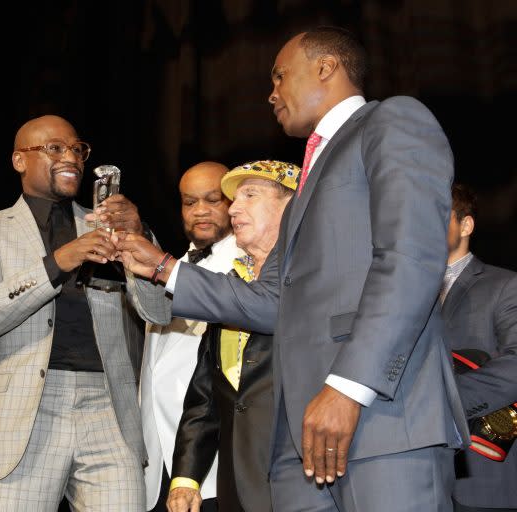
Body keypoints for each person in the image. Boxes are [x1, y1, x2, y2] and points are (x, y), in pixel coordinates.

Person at [117, 26, 468, 511]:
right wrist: (161, 266)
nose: (271, 92)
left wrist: (347, 388)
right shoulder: (310, 176)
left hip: (382, 418)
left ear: (325, 68)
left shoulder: (391, 122)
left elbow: (410, 260)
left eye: (280, 76)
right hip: (297, 444)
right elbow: (271, 301)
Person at [0, 114, 170, 512]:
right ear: (20, 160)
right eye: (54, 148)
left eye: (77, 149)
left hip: (109, 405)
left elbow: (159, 311)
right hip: (28, 409)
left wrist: (141, 236)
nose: (71, 157)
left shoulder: (104, 226)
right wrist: (56, 263)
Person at [167, 160, 297, 512]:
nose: (234, 208)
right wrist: (186, 479)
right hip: (236, 484)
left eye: (249, 195)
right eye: (234, 199)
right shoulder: (232, 284)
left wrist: (158, 265)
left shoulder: (315, 283)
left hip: (302, 481)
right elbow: (207, 394)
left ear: (294, 206)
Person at [141, 161, 242, 512]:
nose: (200, 210)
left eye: (213, 200)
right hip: (158, 457)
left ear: (234, 202)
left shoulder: (247, 268)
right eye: (189, 201)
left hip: (214, 458)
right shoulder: (173, 266)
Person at [441, 184, 517, 512]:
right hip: (415, 472)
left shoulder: (504, 285)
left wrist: (445, 401)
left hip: (481, 473)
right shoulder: (402, 289)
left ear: (466, 225)